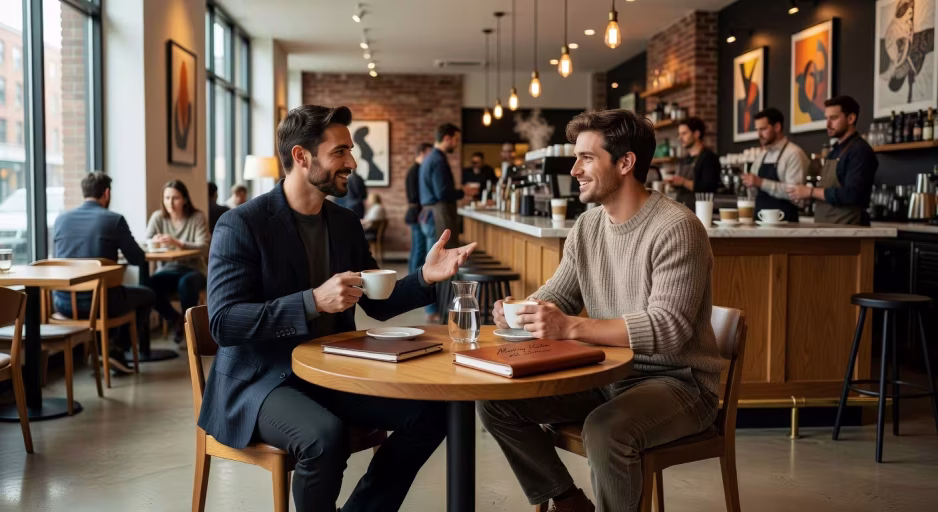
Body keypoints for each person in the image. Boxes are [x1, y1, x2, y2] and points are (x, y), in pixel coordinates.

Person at [201, 105, 476, 512]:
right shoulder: (242, 224)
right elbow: (224, 323)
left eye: (350, 150)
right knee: (324, 437)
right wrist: (312, 301)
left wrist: (425, 277)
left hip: (330, 371)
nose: (352, 161)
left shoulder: (345, 223)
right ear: (301, 156)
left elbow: (379, 304)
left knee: (436, 413)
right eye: (340, 152)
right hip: (260, 381)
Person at [479, 109, 723, 512]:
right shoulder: (588, 226)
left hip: (678, 383)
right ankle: (568, 501)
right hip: (607, 374)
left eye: (587, 158)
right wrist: (520, 310)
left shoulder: (676, 227)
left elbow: (668, 330)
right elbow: (557, 296)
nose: (574, 169)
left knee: (605, 430)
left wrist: (571, 328)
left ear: (625, 163)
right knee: (496, 402)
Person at [52, 172, 155, 374]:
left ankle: (103, 349)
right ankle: (116, 349)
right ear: (107, 193)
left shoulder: (60, 220)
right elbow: (137, 258)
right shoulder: (113, 220)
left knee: (111, 294)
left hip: (62, 303)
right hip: (99, 304)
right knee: (147, 295)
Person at [787, 96, 878, 225]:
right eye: (827, 118)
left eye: (833, 118)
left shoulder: (860, 151)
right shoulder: (835, 150)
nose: (828, 124)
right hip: (829, 229)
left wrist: (811, 192)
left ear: (851, 118)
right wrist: (809, 197)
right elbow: (828, 190)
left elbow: (852, 194)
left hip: (848, 232)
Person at [146, 180, 210, 344]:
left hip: (194, 270)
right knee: (148, 286)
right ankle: (176, 320)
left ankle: (189, 329)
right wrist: (154, 240)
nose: (170, 203)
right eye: (167, 198)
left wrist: (178, 243)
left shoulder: (197, 217)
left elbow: (204, 247)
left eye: (175, 198)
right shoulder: (158, 218)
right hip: (168, 269)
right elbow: (146, 242)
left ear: (185, 199)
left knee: (186, 283)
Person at [419, 123, 464, 323]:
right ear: (447, 138)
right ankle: (435, 310)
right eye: (456, 139)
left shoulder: (431, 158)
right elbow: (443, 193)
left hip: (430, 215)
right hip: (438, 215)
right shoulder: (438, 159)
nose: (457, 143)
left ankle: (435, 309)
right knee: (438, 263)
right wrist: (464, 192)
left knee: (434, 261)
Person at [740, 108, 809, 222]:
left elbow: (795, 193)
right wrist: (749, 184)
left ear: (777, 127)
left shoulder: (794, 153)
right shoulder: (762, 155)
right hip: (759, 220)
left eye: (763, 129)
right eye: (757, 130)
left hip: (785, 223)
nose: (759, 134)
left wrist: (760, 182)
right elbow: (754, 191)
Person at [671, 117, 720, 208]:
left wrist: (683, 182)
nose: (680, 138)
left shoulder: (709, 158)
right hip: (682, 209)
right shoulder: (684, 159)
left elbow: (708, 188)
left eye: (684, 134)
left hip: (700, 212)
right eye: (679, 134)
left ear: (696, 134)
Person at [406, 142, 433, 275]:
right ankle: (413, 280)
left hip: (415, 213)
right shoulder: (416, 171)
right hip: (416, 213)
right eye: (429, 153)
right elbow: (416, 196)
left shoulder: (416, 170)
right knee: (419, 249)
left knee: (417, 248)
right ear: (422, 152)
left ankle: (412, 278)